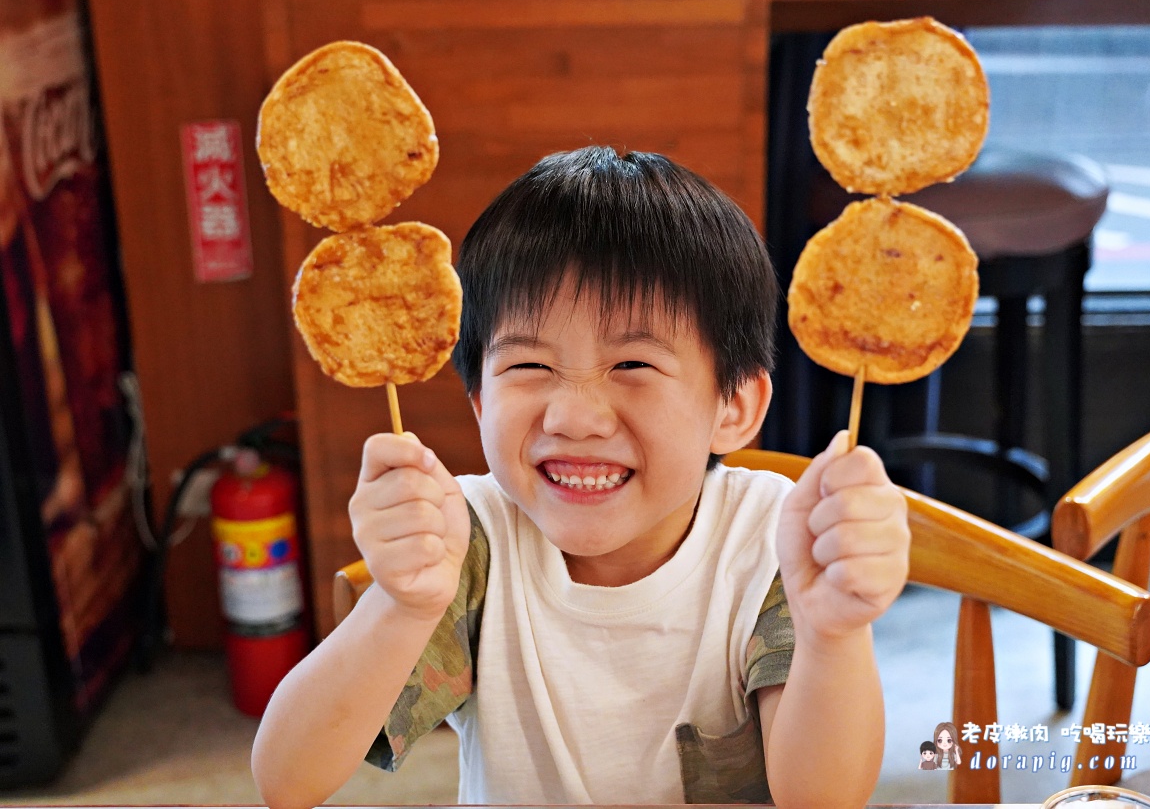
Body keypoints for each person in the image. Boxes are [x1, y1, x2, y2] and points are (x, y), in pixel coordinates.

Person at [251, 147, 911, 809]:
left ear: (733, 408)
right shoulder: (466, 543)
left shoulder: (772, 541)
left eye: (632, 364)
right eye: (529, 367)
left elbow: (822, 798)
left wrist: (833, 636)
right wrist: (404, 605)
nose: (573, 417)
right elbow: (288, 778)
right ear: (480, 400)